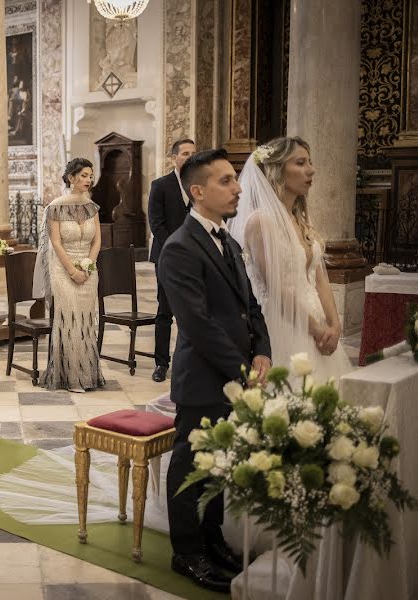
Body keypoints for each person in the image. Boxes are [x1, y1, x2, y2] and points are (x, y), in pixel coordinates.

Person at [159, 148, 271, 592]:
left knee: (220, 464)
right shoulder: (180, 247)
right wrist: (244, 370)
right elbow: (198, 325)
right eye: (226, 180)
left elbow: (251, 304)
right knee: (191, 466)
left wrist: (262, 350)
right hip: (203, 379)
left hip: (236, 372)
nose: (238, 187)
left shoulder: (229, 240)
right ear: (198, 191)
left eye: (235, 179)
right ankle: (186, 552)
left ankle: (212, 539)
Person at [229, 137, 351, 386]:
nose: (311, 169)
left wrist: (334, 324)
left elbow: (319, 278)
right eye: (300, 162)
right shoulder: (261, 222)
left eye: (310, 162)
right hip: (283, 322)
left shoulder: (299, 219)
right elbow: (276, 288)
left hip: (316, 321)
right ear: (277, 170)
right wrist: (316, 330)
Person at [39, 158, 104, 392]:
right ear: (71, 178)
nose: (88, 180)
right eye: (84, 175)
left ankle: (87, 375)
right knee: (68, 320)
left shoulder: (92, 207)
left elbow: (97, 240)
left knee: (85, 322)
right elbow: (55, 242)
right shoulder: (55, 207)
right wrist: (72, 270)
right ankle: (69, 377)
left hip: (88, 270)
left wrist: (88, 265)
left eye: (90, 175)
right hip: (62, 269)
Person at [148, 138, 196, 382]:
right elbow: (156, 223)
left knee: (192, 311)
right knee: (165, 311)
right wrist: (176, 249)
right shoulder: (161, 185)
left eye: (193, 153)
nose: (189, 157)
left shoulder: (200, 185)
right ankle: (161, 364)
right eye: (185, 153)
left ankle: (189, 363)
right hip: (167, 257)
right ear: (174, 158)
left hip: (194, 258)